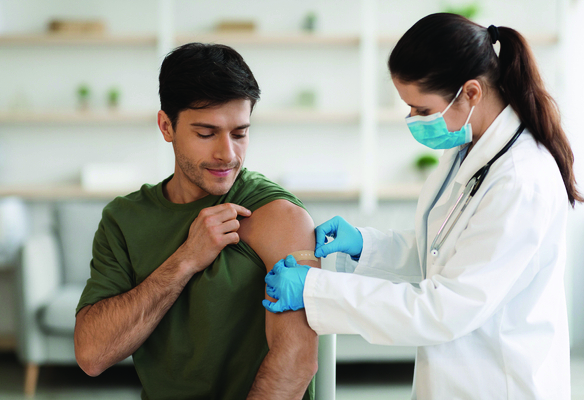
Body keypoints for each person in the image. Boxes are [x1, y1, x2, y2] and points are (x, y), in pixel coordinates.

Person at [263, 13, 581, 399]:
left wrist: (317, 289)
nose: (412, 120)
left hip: (501, 382)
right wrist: (365, 246)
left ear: (471, 93)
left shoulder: (520, 179)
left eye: (422, 109)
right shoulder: (467, 151)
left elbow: (444, 308)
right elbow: (443, 253)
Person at [74, 42, 319, 400]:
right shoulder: (123, 219)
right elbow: (92, 355)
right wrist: (186, 259)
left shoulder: (278, 215)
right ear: (166, 126)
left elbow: (297, 360)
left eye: (240, 133)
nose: (227, 154)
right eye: (206, 133)